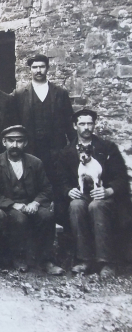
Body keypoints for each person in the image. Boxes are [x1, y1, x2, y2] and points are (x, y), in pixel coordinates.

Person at [0, 125, 64, 275]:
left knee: (47, 216)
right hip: (7, 207)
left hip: (30, 205)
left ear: (25, 143)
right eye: (11, 141)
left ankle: (46, 260)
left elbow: (47, 189)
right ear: (4, 142)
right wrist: (12, 204)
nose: (15, 145)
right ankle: (18, 258)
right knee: (19, 219)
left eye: (19, 141)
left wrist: (36, 203)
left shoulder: (35, 163)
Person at [57, 109, 132, 277]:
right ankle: (84, 260)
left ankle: (106, 262)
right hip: (81, 195)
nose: (86, 128)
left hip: (103, 196)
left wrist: (108, 191)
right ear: (75, 126)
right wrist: (69, 191)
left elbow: (121, 177)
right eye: (82, 124)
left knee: (96, 206)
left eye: (89, 123)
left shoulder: (107, 148)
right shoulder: (66, 152)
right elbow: (60, 179)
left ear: (94, 125)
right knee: (76, 206)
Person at [14, 54, 75, 189]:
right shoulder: (19, 95)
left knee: (57, 184)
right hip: (31, 148)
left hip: (56, 149)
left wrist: (73, 146)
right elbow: (16, 123)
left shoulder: (60, 93)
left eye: (42, 67)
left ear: (47, 68)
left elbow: (69, 122)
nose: (38, 70)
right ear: (30, 70)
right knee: (32, 183)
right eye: (34, 67)